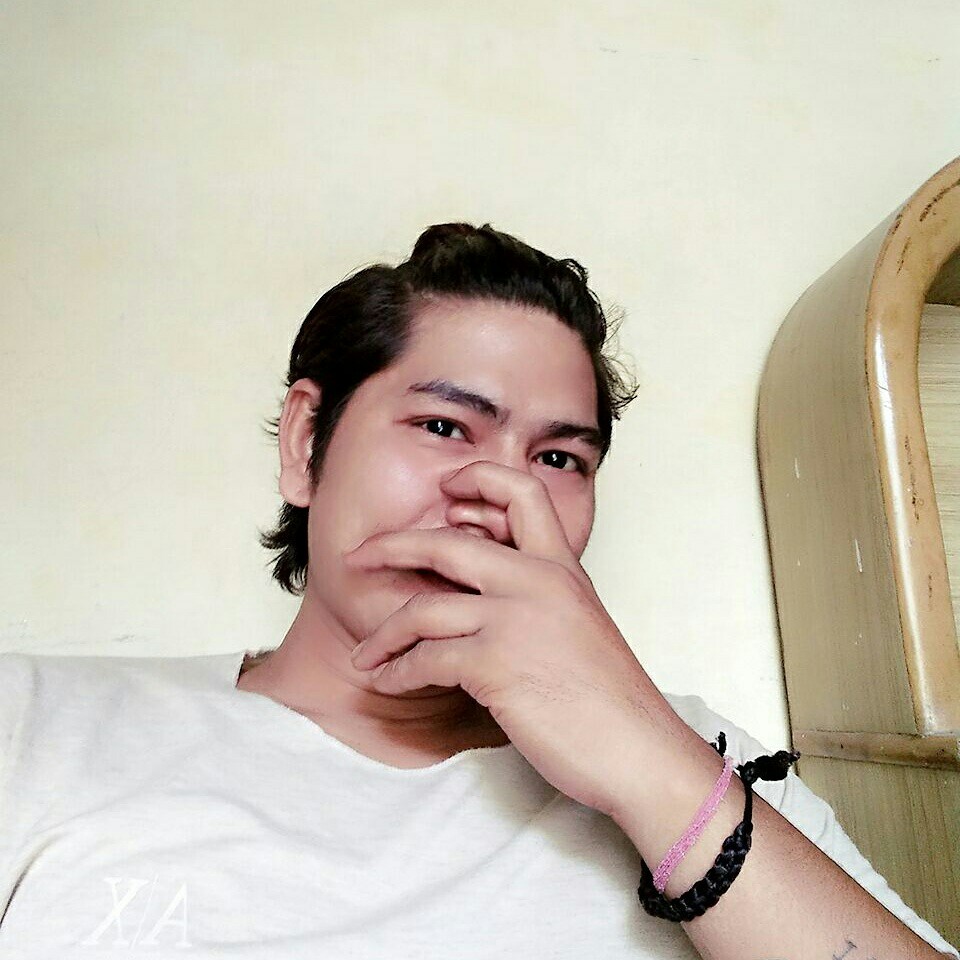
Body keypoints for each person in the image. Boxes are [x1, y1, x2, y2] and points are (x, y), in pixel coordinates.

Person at [0, 223, 956, 958]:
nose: (501, 495)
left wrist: (648, 761)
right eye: (444, 428)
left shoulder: (693, 756)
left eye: (558, 458)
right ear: (306, 442)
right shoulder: (34, 722)